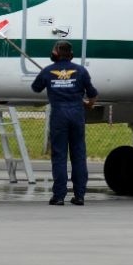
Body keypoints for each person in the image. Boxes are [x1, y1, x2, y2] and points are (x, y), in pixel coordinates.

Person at [30, 40, 98, 205]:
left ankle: (59, 196)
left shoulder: (48, 71)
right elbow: (92, 93)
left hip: (59, 114)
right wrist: (89, 104)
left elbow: (35, 88)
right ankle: (80, 195)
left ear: (56, 53)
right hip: (77, 114)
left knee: (59, 156)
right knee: (78, 155)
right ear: (70, 54)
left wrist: (50, 80)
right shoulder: (81, 71)